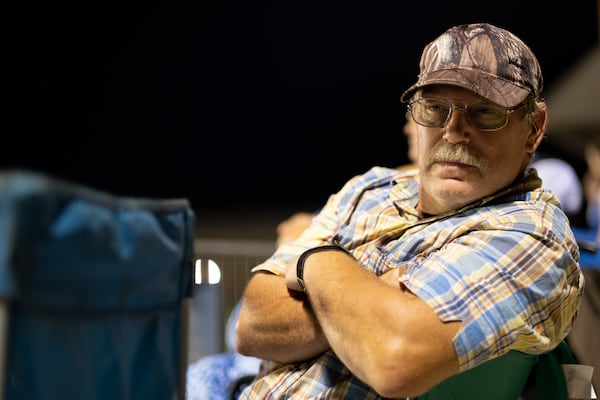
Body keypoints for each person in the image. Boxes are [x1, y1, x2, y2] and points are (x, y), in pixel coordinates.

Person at [233, 23, 584, 399]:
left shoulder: (532, 233)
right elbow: (251, 325)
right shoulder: (369, 188)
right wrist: (375, 297)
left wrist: (316, 261)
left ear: (534, 127)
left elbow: (395, 360)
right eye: (434, 109)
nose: (453, 131)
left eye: (484, 113)